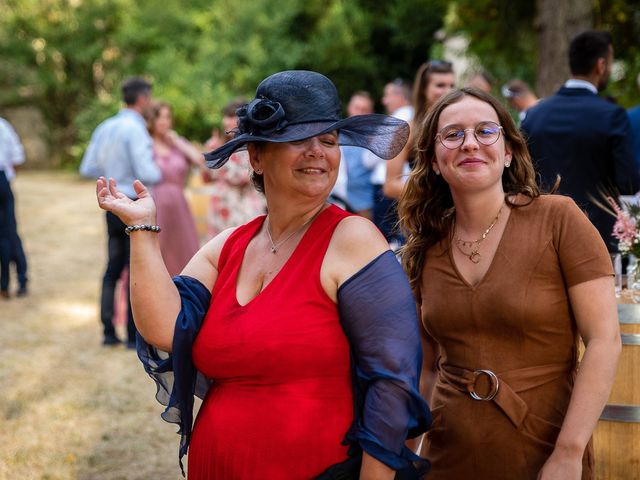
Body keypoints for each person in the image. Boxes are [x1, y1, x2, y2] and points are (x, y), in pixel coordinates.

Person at [94, 70, 430, 479]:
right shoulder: (231, 244)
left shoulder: (352, 239)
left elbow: (391, 382)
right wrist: (142, 229)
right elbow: (164, 328)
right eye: (297, 140)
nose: (317, 152)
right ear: (256, 156)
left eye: (328, 140)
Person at [398, 87, 621, 479]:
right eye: (452, 134)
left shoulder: (559, 220)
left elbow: (605, 340)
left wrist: (568, 453)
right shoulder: (424, 248)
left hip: (545, 452)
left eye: (486, 131)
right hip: (447, 457)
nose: (470, 143)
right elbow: (426, 369)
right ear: (433, 160)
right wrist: (403, 454)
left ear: (508, 153)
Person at [521, 30, 640, 251]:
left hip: (543, 234)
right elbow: (629, 182)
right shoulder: (611, 116)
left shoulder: (534, 115)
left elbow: (521, 175)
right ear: (601, 65)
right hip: (597, 237)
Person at [80, 77, 161, 347]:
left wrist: (111, 173)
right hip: (133, 203)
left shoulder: (106, 127)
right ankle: (131, 335)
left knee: (112, 268)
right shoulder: (135, 129)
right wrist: (160, 172)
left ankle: (107, 331)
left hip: (110, 204)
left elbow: (88, 167)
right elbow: (148, 171)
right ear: (142, 99)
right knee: (134, 269)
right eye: (149, 98)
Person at [145, 100, 204, 276]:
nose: (164, 121)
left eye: (168, 117)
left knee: (184, 250)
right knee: (159, 249)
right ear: (151, 120)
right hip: (156, 204)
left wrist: (177, 141)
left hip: (179, 204)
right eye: (159, 117)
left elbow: (199, 160)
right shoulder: (145, 144)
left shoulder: (178, 144)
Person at [384, 61, 455, 200]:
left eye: (451, 86)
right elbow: (390, 185)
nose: (448, 91)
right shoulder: (407, 130)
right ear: (424, 88)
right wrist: (436, 195)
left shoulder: (461, 127)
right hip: (426, 212)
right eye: (440, 85)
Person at [202, 99, 265, 239]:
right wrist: (210, 154)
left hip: (242, 205)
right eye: (226, 117)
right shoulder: (221, 145)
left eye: (231, 117)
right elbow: (206, 178)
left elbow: (242, 177)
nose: (227, 122)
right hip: (221, 204)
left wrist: (219, 159)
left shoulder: (250, 145)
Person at [368, 79, 414, 246]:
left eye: (387, 95)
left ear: (399, 96)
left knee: (384, 239)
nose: (384, 100)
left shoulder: (395, 121)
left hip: (386, 187)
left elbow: (369, 158)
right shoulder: (417, 118)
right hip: (408, 185)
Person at [0, 116, 28, 299]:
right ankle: (21, 279)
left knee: (5, 235)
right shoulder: (2, 125)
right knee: (9, 232)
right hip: (2, 180)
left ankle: (5, 284)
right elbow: (17, 158)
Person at [339, 91, 377, 218]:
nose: (359, 113)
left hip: (364, 201)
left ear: (370, 113)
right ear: (349, 108)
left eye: (364, 109)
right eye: (357, 108)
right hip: (337, 198)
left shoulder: (376, 137)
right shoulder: (337, 133)